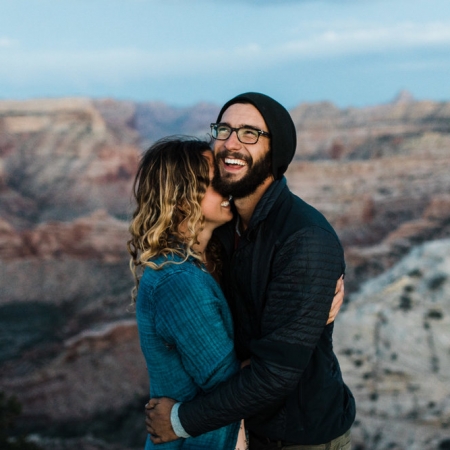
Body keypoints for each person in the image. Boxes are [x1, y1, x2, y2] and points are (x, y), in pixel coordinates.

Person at [145, 93, 355, 450]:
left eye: (249, 133)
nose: (230, 143)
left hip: (297, 438)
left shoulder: (303, 239)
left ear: (277, 152)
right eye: (224, 129)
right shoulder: (222, 229)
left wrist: (180, 421)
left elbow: (276, 373)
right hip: (240, 428)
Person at [128, 137, 247, 449]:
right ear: (182, 199)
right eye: (215, 182)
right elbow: (228, 385)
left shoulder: (208, 260)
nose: (228, 188)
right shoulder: (179, 281)